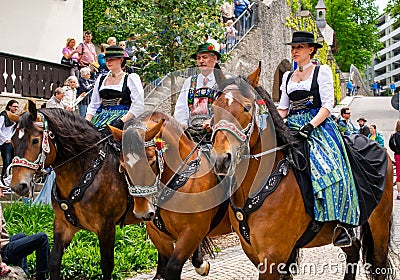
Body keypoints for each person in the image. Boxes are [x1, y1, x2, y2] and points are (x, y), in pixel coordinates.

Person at [277, 31, 359, 247]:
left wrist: (311, 125)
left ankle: (342, 225)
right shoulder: (287, 77)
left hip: (318, 125)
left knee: (331, 167)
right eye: (293, 48)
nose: (294, 51)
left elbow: (327, 105)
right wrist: (270, 120)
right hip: (292, 124)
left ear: (311, 50)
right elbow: (284, 108)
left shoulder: (321, 71)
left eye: (300, 47)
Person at [85, 46, 144, 129]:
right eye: (107, 60)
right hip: (101, 118)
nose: (108, 62)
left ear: (121, 60)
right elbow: (94, 104)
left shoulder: (130, 78)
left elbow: (138, 105)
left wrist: (121, 121)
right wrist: (87, 121)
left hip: (125, 119)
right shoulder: (101, 79)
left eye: (111, 59)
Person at [174, 42, 221, 141]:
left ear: (215, 59)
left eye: (204, 57)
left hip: (216, 135)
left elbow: (228, 110)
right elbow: (181, 107)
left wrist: (213, 121)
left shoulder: (223, 81)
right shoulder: (190, 82)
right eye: (198, 58)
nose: (201, 61)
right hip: (191, 135)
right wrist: (182, 124)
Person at [0, 186, 50, 280]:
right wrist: (0, 263)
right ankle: (42, 277)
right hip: (3, 252)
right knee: (42, 238)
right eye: (1, 191)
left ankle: (23, 273)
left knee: (22, 235)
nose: (3, 195)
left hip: (3, 246)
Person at [0, 100, 18, 187]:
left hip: (10, 142)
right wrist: (5, 139)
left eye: (17, 107)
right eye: (14, 106)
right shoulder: (3, 116)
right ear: (9, 106)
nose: (16, 108)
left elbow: (12, 130)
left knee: (11, 162)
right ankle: (3, 181)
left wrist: (11, 138)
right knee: (6, 162)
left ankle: (8, 181)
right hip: (4, 142)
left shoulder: (14, 118)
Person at [389, 120, 400, 199]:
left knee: (399, 174)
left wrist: (396, 150)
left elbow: (391, 145)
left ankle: (399, 193)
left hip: (398, 155)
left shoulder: (394, 135)